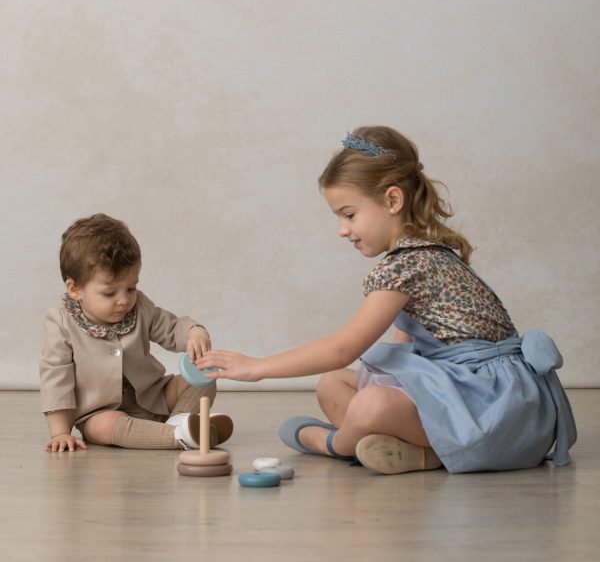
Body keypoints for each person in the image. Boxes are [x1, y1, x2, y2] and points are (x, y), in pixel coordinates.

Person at [196, 126, 576, 475]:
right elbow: (408, 349)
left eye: (349, 215)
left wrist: (256, 367)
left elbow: (343, 347)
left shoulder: (406, 265)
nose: (343, 231)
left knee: (369, 404)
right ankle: (420, 455)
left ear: (392, 199)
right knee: (333, 384)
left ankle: (337, 444)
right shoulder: (430, 252)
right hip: (494, 401)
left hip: (494, 412)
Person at [40, 213, 233, 452]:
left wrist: (194, 332)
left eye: (131, 288)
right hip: (101, 411)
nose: (123, 300)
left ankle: (180, 422)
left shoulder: (138, 305)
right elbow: (56, 377)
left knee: (204, 377)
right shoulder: (61, 321)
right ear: (75, 289)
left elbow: (171, 328)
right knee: (102, 425)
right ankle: (179, 436)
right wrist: (60, 432)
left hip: (153, 397)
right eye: (110, 293)